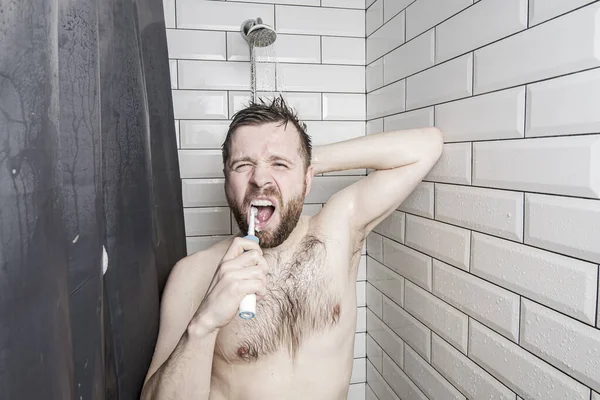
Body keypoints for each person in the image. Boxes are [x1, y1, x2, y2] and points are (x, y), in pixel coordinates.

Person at [140, 97, 443, 400]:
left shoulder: (338, 233)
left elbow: (427, 146)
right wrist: (204, 324)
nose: (260, 178)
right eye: (244, 165)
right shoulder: (193, 275)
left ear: (307, 179)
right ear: (226, 183)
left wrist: (305, 162)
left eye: (279, 164)